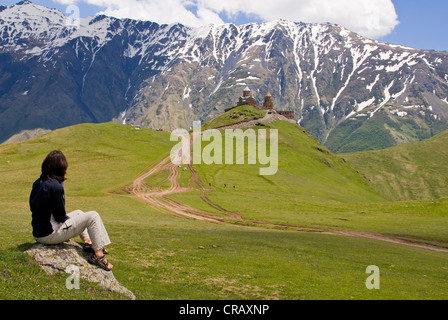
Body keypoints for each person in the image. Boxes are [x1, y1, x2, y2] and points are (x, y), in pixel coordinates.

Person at [29, 151, 113, 271]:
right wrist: (71, 222)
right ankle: (99, 255)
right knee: (93, 216)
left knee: (79, 212)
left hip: (39, 232)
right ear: (62, 167)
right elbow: (60, 216)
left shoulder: (38, 182)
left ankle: (89, 242)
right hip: (49, 234)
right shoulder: (56, 186)